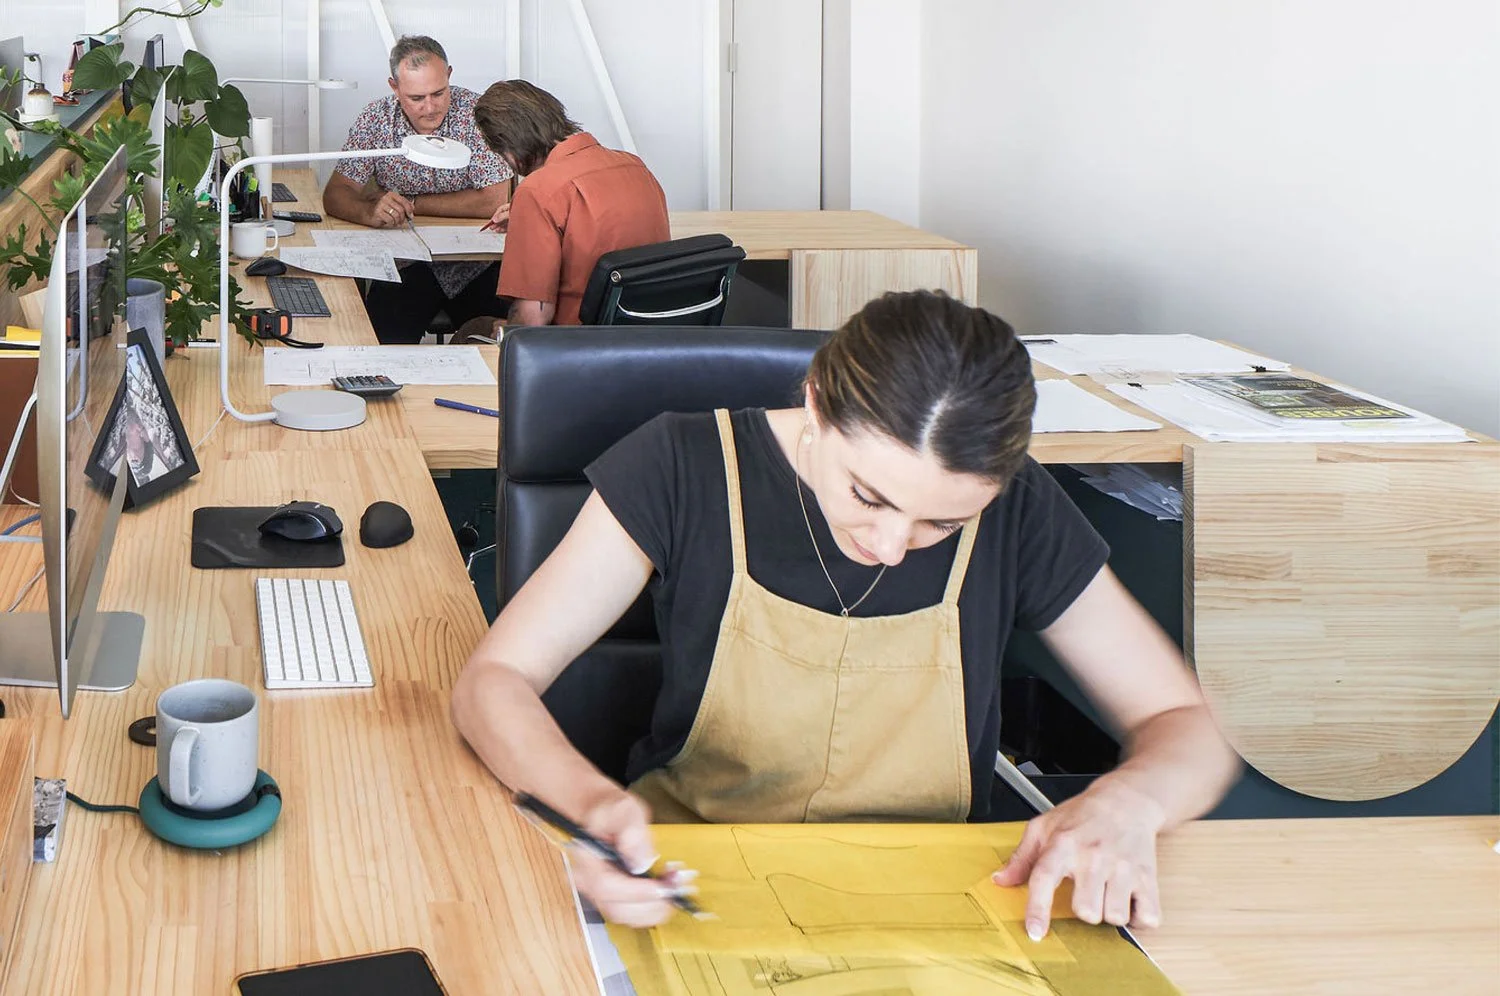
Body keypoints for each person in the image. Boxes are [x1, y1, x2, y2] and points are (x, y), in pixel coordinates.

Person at [451, 291, 1239, 938]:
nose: (892, 547)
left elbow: (1185, 723)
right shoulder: (680, 465)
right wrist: (589, 807)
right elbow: (496, 679)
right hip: (690, 881)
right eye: (868, 495)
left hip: (935, 903)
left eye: (943, 525)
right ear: (816, 401)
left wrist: (1131, 801)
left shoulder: (1021, 508)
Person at [323, 35, 512, 344]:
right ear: (394, 87)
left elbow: (495, 199)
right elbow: (336, 193)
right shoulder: (375, 119)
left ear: (449, 75)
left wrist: (411, 203)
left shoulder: (478, 115)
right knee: (376, 344)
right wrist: (368, 211)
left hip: (477, 267)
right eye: (416, 98)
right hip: (407, 265)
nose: (430, 107)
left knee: (500, 346)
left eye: (439, 93)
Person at [469, 80, 669, 330]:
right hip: (649, 335)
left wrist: (532, 209)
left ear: (508, 147)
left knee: (474, 328)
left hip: (577, 342)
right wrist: (531, 219)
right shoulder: (636, 167)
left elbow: (533, 320)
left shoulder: (537, 190)